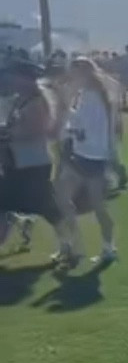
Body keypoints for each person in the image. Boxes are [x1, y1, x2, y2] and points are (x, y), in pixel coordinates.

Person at [56, 56, 119, 267]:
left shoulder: (94, 97)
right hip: (82, 155)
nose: (71, 77)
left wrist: (66, 110)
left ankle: (108, 248)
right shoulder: (88, 94)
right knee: (62, 198)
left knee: (98, 207)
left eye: (74, 73)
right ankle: (74, 245)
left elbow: (84, 130)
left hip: (91, 158)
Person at [0, 60, 63, 258]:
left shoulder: (37, 102)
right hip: (16, 162)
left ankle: (70, 244)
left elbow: (34, 130)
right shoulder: (19, 99)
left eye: (13, 76)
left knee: (48, 209)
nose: (8, 80)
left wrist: (7, 134)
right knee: (3, 204)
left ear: (25, 79)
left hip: (33, 164)